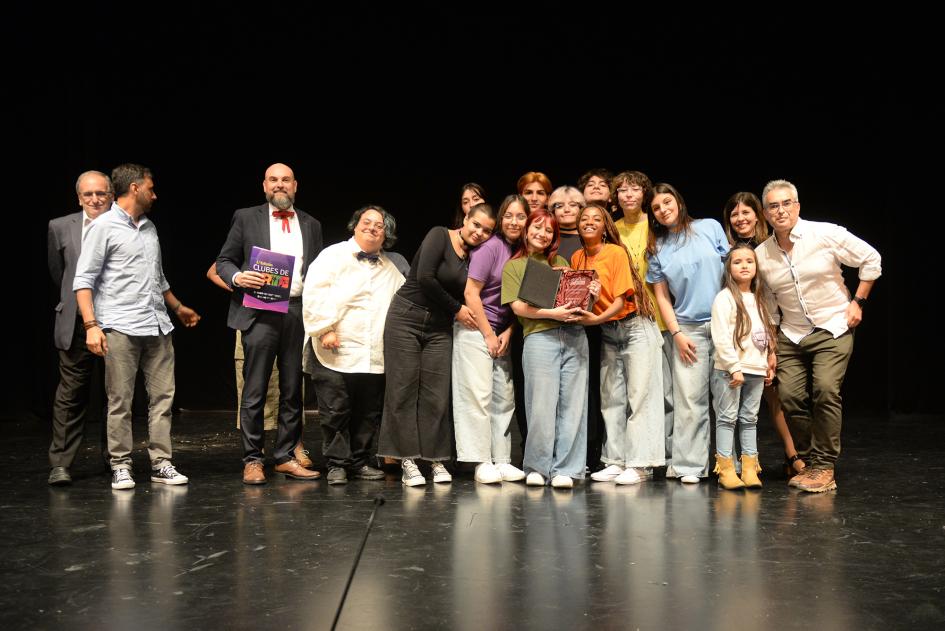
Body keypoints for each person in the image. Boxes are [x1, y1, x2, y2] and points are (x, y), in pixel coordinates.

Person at [73, 163, 200, 490]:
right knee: (120, 400)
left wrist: (177, 306)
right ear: (134, 188)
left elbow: (157, 279)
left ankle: (161, 463)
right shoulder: (102, 227)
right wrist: (91, 325)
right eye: (151, 188)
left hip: (157, 325)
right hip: (120, 326)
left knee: (163, 399)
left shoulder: (149, 228)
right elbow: (83, 280)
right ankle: (121, 464)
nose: (154, 194)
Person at [755, 179, 881, 493]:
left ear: (797, 206)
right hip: (792, 333)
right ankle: (813, 461)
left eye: (786, 203)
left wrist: (858, 301)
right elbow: (769, 301)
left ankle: (824, 465)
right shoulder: (762, 253)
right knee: (789, 397)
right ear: (766, 213)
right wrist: (771, 345)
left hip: (833, 325)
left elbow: (871, 259)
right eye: (773, 206)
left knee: (825, 390)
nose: (780, 210)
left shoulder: (825, 233)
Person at [216, 163, 323, 484]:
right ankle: (252, 459)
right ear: (264, 186)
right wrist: (237, 276)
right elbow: (224, 261)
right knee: (255, 389)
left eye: (286, 180)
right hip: (260, 309)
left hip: (296, 312)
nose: (280, 185)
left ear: (295, 186)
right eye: (274, 180)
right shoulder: (246, 217)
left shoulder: (311, 224)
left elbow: (317, 273)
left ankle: (285, 456)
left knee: (293, 390)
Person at [377, 205, 496, 486]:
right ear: (465, 219)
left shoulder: (476, 256)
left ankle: (436, 460)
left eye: (487, 230)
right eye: (476, 225)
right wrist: (457, 309)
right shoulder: (439, 235)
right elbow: (425, 278)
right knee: (403, 389)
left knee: (436, 394)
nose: (479, 233)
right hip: (407, 316)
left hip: (439, 327)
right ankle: (407, 460)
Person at [303, 205, 405, 484]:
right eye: (366, 221)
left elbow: (405, 302)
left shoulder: (391, 268)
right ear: (355, 225)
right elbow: (314, 291)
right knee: (336, 409)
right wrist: (325, 329)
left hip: (373, 351)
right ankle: (337, 463)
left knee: (368, 411)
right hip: (335, 347)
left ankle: (359, 460)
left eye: (379, 225)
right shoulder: (332, 256)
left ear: (387, 234)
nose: (372, 227)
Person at [572, 205, 664, 485]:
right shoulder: (577, 257)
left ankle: (641, 465)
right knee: (611, 398)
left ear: (605, 226)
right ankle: (615, 460)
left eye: (596, 219)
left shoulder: (615, 252)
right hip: (609, 330)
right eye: (584, 219)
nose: (589, 223)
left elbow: (621, 300)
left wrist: (595, 317)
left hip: (635, 326)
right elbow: (583, 300)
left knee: (641, 398)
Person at [646, 183, 729, 484]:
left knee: (726, 399)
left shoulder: (710, 227)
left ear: (678, 201)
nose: (663, 209)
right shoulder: (658, 247)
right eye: (656, 207)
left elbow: (732, 272)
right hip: (688, 329)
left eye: (667, 202)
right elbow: (662, 297)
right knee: (689, 401)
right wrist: (677, 333)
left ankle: (727, 464)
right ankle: (690, 465)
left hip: (723, 325)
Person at [501, 210, 588, 488]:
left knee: (572, 406)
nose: (542, 234)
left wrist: (590, 291)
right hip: (539, 337)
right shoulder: (514, 265)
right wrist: (554, 314)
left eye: (548, 231)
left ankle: (567, 469)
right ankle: (537, 466)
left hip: (574, 335)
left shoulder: (560, 261)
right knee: (540, 405)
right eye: (537, 228)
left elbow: (576, 302)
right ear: (526, 230)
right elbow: (518, 308)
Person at [722, 191, 803, 477]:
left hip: (773, 326)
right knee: (738, 403)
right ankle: (733, 462)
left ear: (759, 215)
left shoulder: (770, 247)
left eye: (746, 212)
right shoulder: (728, 251)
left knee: (779, 394)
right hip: (738, 332)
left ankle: (794, 454)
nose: (740, 218)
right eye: (734, 214)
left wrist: (772, 338)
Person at [453, 197, 528, 484]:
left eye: (520, 217)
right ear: (500, 218)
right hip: (477, 329)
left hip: (501, 331)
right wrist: (488, 334)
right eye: (509, 215)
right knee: (477, 397)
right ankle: (481, 460)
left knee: (503, 399)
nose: (514, 222)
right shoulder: (490, 247)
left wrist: (506, 332)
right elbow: (472, 294)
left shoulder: (520, 252)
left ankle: (503, 459)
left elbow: (515, 302)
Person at [47, 170, 112, 485]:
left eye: (101, 193)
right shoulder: (59, 227)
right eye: (88, 194)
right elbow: (59, 272)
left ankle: (116, 459)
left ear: (111, 195)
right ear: (79, 198)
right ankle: (61, 463)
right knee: (70, 394)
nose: (95, 199)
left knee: (116, 394)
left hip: (115, 320)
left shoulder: (125, 225)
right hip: (75, 322)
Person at [611, 171, 674, 468]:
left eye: (634, 189)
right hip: (625, 318)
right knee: (628, 395)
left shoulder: (657, 225)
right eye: (621, 190)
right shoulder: (612, 228)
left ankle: (668, 456)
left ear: (644, 194)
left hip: (661, 317)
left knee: (666, 395)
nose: (628, 195)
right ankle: (630, 458)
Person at [710, 245, 776, 490]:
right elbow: (721, 336)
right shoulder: (724, 298)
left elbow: (765, 333)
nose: (745, 265)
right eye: (738, 262)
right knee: (727, 418)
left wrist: (770, 357)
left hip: (756, 369)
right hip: (731, 371)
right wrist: (733, 366)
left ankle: (749, 468)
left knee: (749, 419)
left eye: (749, 261)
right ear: (729, 268)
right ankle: (726, 469)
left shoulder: (760, 298)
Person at [548, 186, 585, 262]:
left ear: (581, 209)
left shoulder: (590, 237)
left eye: (572, 205)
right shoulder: (547, 237)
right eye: (560, 206)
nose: (567, 210)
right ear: (553, 211)